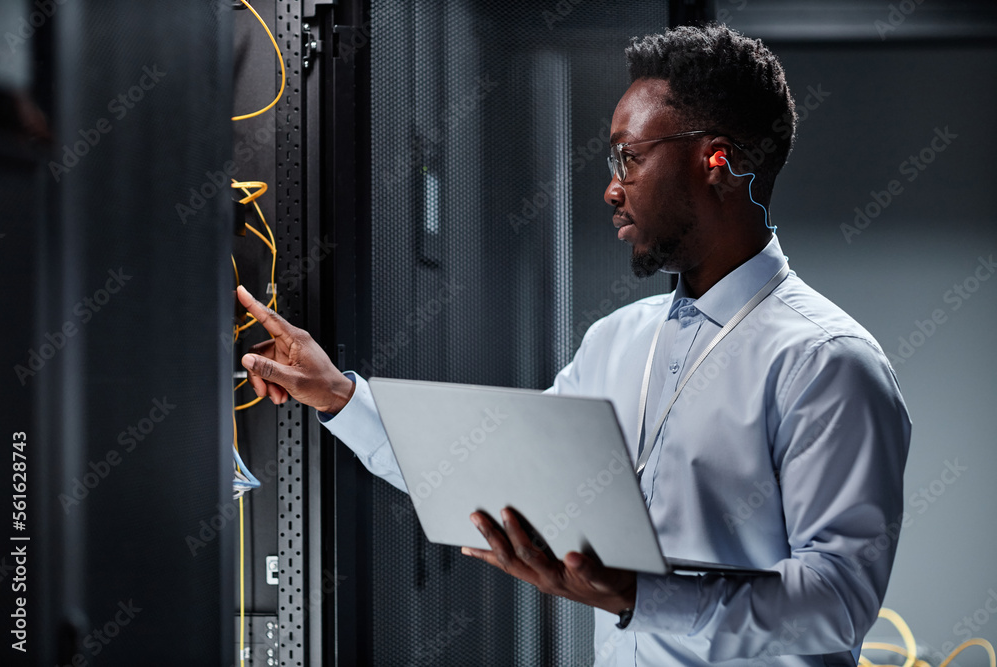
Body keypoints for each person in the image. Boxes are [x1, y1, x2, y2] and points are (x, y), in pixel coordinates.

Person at [236, 23, 911, 667]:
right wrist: (340, 396)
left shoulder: (827, 362)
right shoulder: (616, 341)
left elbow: (839, 599)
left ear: (718, 161)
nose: (612, 188)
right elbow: (491, 473)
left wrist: (639, 595)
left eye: (630, 156)